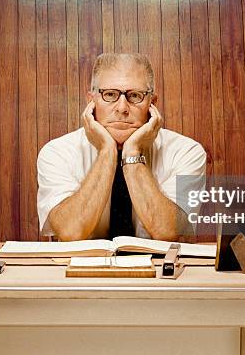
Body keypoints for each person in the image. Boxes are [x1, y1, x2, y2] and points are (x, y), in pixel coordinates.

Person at [37, 53, 206, 241]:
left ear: (152, 103)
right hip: (80, 270)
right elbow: (70, 231)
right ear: (91, 101)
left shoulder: (186, 152)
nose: (122, 108)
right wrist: (107, 152)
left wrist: (132, 152)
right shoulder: (57, 152)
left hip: (158, 269)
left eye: (135, 96)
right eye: (110, 94)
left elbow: (168, 231)